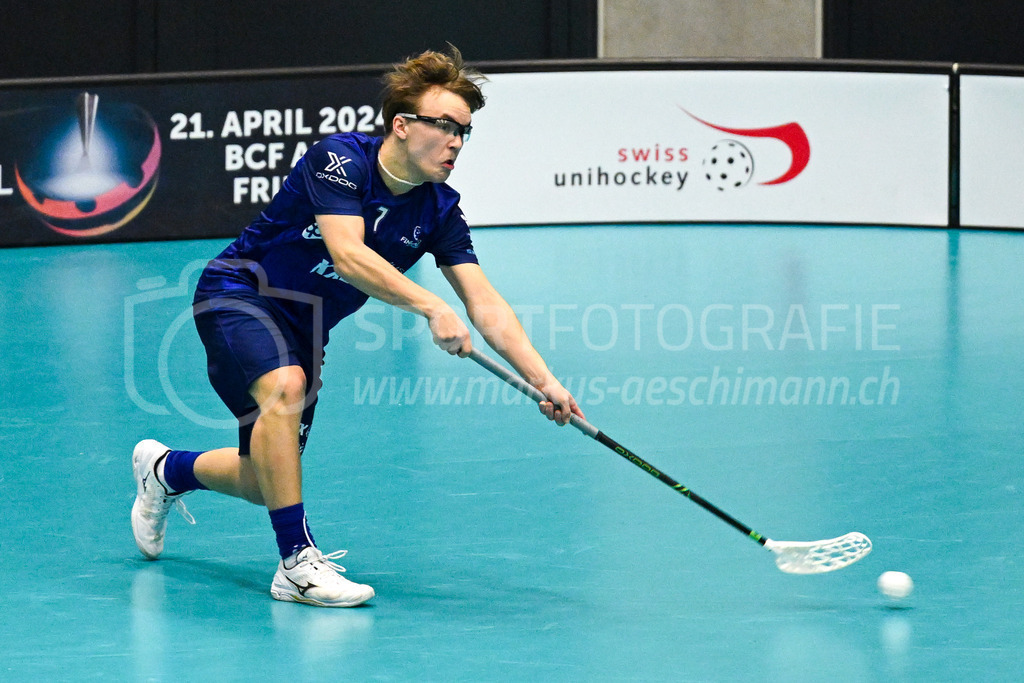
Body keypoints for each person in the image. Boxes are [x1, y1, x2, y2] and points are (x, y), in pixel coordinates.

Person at [130, 46, 583, 608]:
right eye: (445, 126)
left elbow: (484, 301)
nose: (457, 143)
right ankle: (296, 563)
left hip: (307, 327)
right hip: (241, 294)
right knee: (284, 387)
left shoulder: (438, 209)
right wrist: (431, 307)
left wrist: (545, 381)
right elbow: (348, 255)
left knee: (262, 479)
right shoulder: (341, 161)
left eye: (465, 132)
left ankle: (165, 469)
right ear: (402, 123)